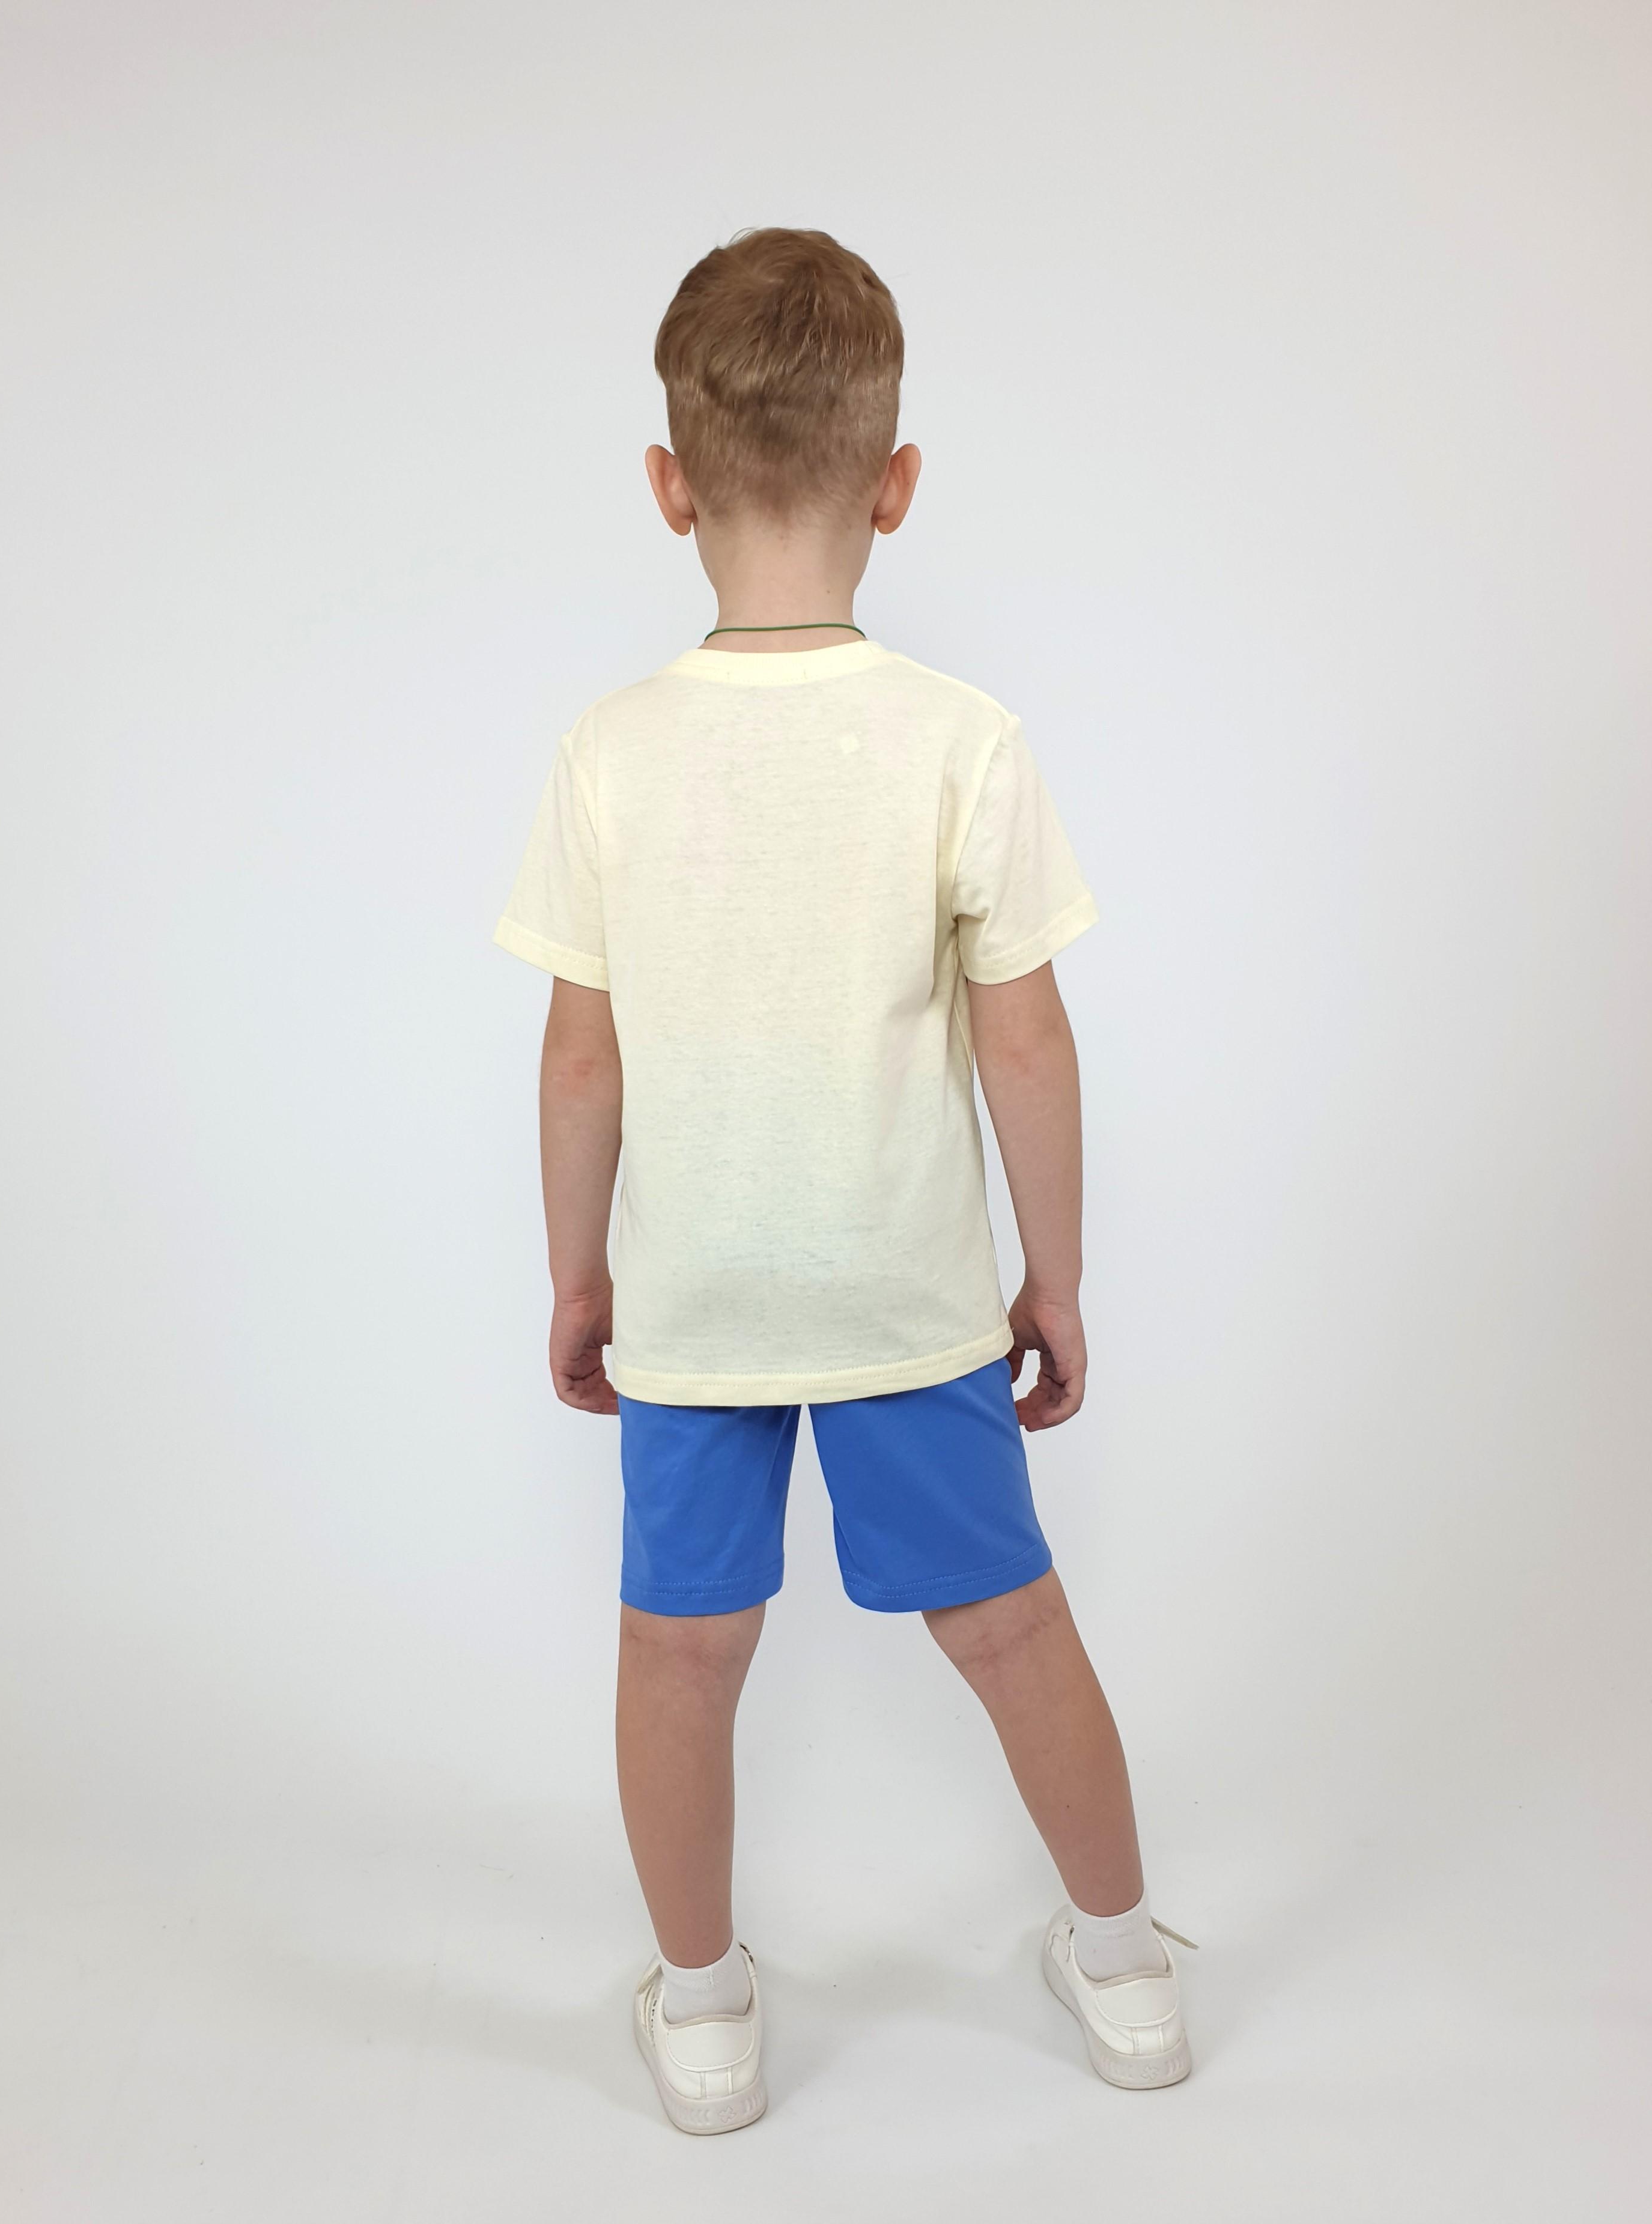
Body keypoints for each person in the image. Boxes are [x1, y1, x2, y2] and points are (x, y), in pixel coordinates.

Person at [493, 226, 1192, 2135]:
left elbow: (578, 1059)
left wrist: (580, 1277)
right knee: (1016, 1628)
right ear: (897, 484)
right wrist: (1055, 1278)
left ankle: (708, 2013)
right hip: (907, 1297)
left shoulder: (609, 754)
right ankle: (1128, 1968)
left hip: (697, 1302)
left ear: (670, 487)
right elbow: (1028, 1043)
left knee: (677, 1656)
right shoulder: (964, 743)